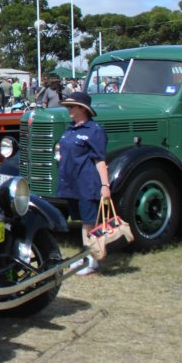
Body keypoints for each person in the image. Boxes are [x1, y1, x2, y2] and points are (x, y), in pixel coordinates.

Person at [56, 91, 109, 276]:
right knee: (84, 223)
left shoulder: (94, 130)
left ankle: (92, 260)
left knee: (90, 223)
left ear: (83, 109)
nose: (69, 109)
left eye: (72, 106)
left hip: (87, 183)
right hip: (72, 184)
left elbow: (100, 160)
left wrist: (105, 186)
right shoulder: (70, 129)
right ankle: (87, 255)